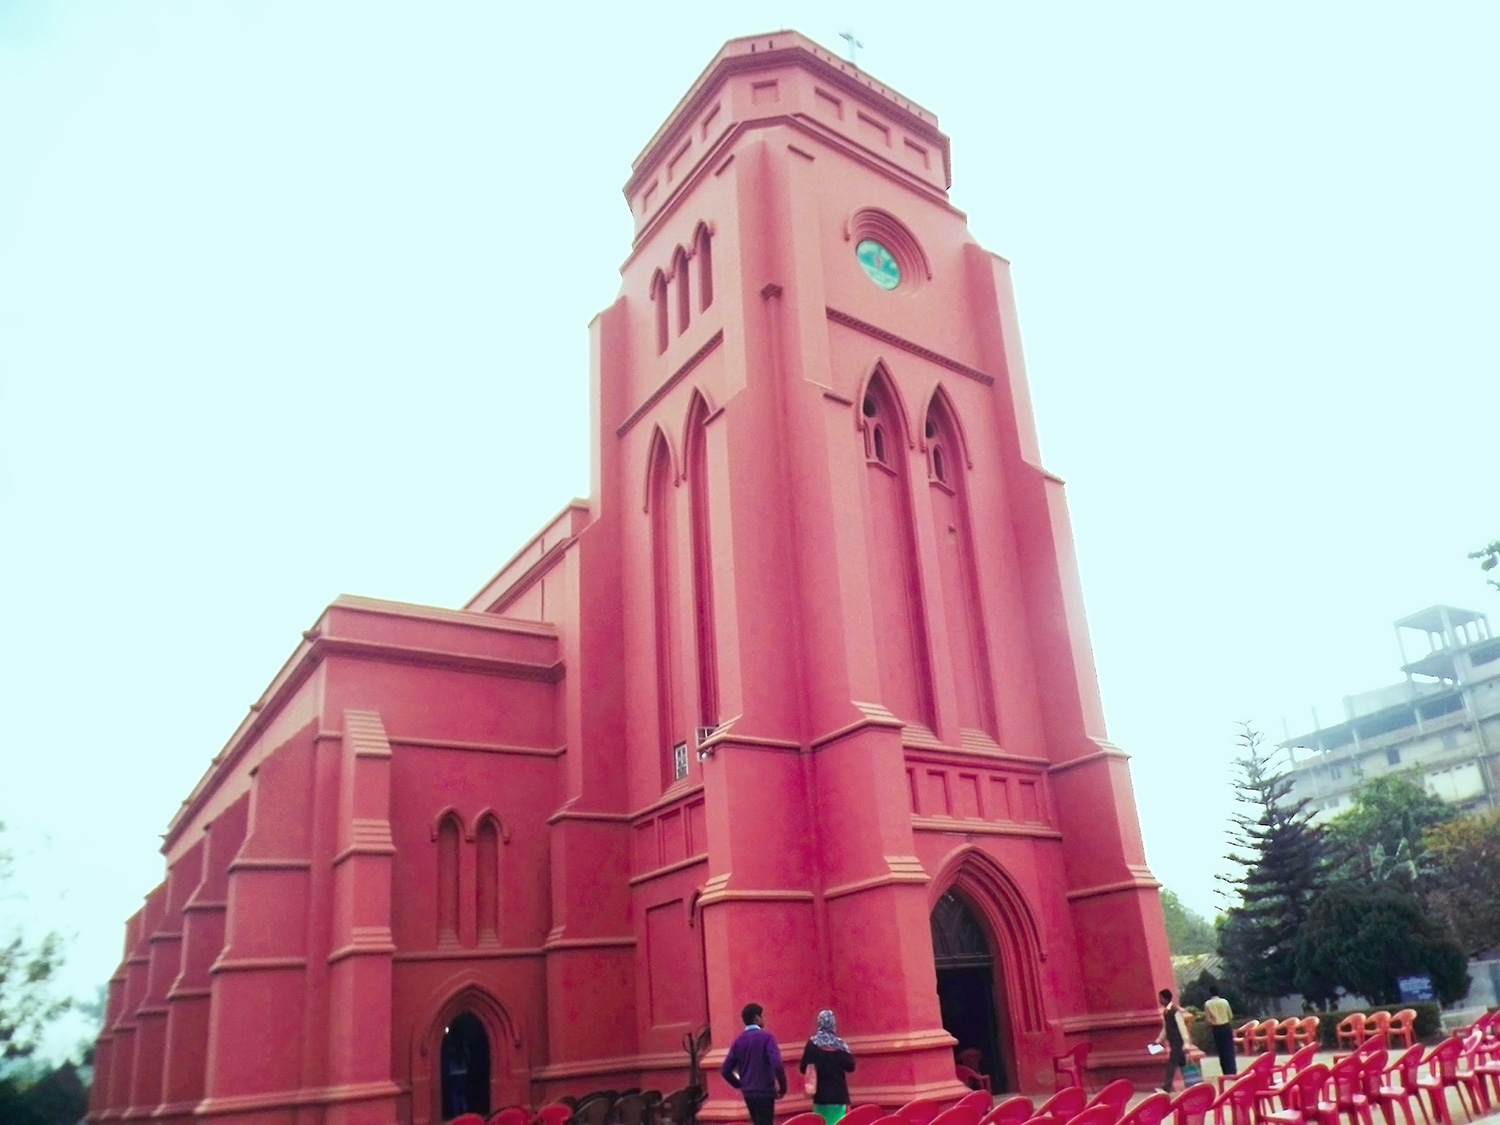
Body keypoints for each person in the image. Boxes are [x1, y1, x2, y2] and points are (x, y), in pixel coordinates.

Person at [722, 1002, 786, 1125]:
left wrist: (740, 1084)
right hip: (765, 1091)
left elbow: (725, 1070)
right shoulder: (767, 1037)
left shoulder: (738, 1041)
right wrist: (782, 1087)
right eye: (763, 1016)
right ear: (757, 1018)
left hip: (748, 1093)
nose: (764, 1019)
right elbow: (777, 1064)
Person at [799, 1009, 856, 1124]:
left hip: (820, 1097)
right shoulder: (840, 1045)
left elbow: (803, 1067)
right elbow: (851, 1066)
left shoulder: (812, 1044)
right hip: (839, 1096)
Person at [1155, 988, 1191, 1092]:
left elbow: (1182, 1027)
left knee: (1172, 1063)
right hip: (1173, 1041)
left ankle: (1167, 1086)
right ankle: (1191, 1081)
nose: (1159, 1000)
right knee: (1182, 1062)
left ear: (1166, 999)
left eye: (1161, 998)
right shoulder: (1167, 1012)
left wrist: (1186, 1043)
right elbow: (1166, 1028)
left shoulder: (1175, 1011)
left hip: (1177, 1042)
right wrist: (1159, 1040)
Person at [1203, 986, 1236, 1076]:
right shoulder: (1225, 1002)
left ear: (1210, 993)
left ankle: (1225, 1071)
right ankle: (1232, 1070)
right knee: (1229, 1049)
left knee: (1221, 1050)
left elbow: (1208, 1020)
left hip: (1217, 1028)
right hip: (1226, 1027)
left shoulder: (1208, 1004)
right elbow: (1230, 1016)